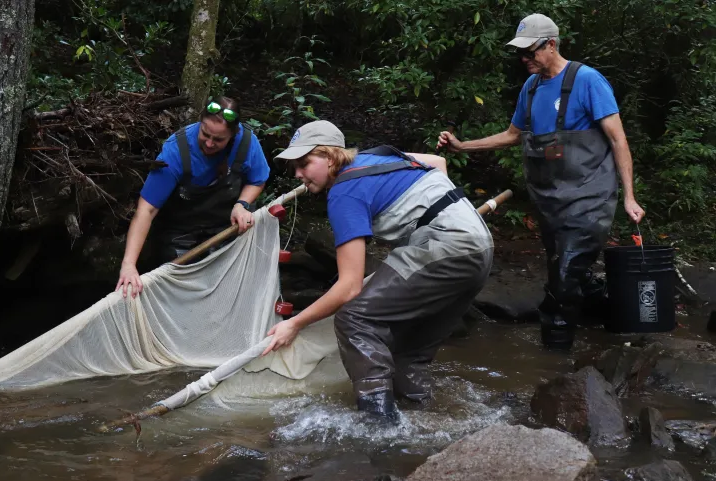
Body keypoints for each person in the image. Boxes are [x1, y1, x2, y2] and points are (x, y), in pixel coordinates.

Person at [437, 13, 645, 348]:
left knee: (564, 276)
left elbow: (619, 140)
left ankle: (555, 356)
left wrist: (629, 197)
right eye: (520, 52)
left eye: (530, 51)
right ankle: (608, 309)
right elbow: (511, 135)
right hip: (550, 202)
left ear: (550, 44)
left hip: (590, 198)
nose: (524, 58)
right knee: (563, 269)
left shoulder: (588, 81)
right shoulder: (531, 89)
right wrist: (463, 146)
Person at [262, 120, 493, 421]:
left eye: (304, 163)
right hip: (480, 248)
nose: (298, 174)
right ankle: (420, 420)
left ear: (330, 157)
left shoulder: (344, 192)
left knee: (354, 319)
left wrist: (294, 325)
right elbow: (438, 162)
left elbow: (349, 288)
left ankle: (377, 424)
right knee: (408, 354)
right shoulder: (382, 157)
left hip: (447, 248)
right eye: (293, 167)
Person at [116, 96, 271, 298]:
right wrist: (128, 264)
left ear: (233, 135)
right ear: (200, 122)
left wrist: (242, 204)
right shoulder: (176, 151)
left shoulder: (247, 142)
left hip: (227, 227)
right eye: (205, 134)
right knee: (182, 292)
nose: (209, 143)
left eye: (218, 140)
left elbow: (258, 180)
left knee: (231, 287)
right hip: (180, 234)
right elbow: (147, 209)